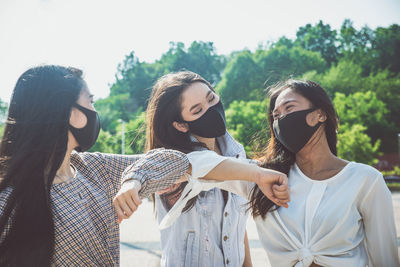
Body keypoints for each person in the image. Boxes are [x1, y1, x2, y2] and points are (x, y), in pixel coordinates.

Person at [179, 80, 400, 266]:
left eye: (289, 109)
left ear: (320, 114)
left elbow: (386, 259)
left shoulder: (365, 180)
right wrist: (256, 175)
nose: (280, 119)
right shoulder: (263, 179)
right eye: (275, 116)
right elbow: (192, 164)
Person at [0, 65, 191, 267]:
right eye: (90, 101)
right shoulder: (8, 199)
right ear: (66, 111)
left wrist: (134, 180)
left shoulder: (93, 167)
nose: (94, 111)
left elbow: (177, 161)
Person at [113, 71, 290, 267]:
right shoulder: (176, 161)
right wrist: (132, 181)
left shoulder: (236, 154)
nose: (211, 110)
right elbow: (173, 164)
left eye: (211, 98)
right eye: (197, 111)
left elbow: (236, 229)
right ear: (181, 124)